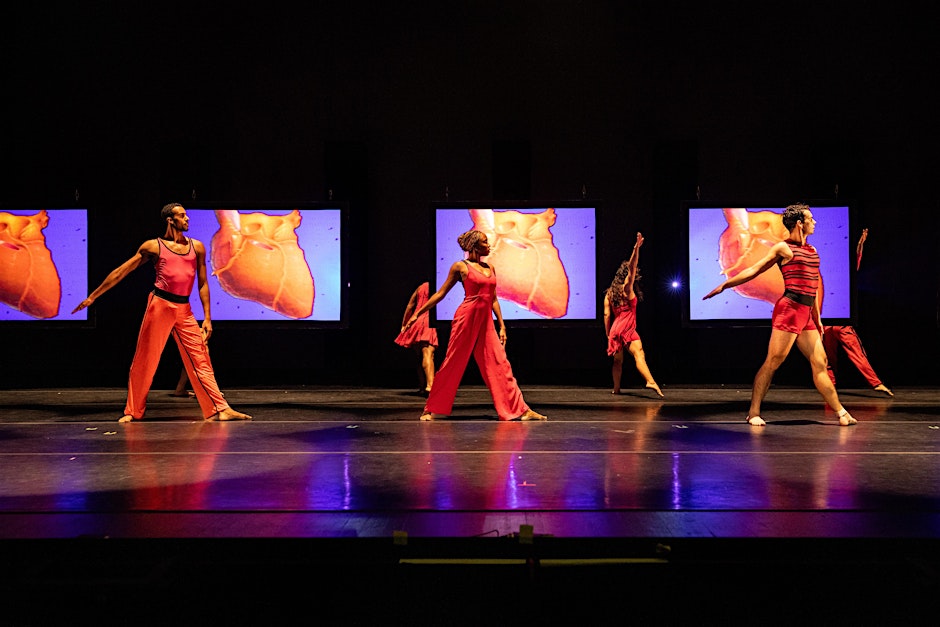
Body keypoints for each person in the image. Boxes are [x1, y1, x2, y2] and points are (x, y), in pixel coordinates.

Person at [73, 203, 251, 423]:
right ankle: (133, 411)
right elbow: (122, 271)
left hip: (184, 309)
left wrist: (207, 317)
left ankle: (219, 408)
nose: (187, 219)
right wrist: (93, 296)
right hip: (160, 305)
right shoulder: (154, 246)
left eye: (186, 215)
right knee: (145, 359)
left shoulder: (197, 247)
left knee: (200, 358)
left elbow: (203, 283)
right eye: (182, 216)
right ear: (170, 220)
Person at [703, 203, 855, 427]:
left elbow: (811, 289)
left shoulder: (812, 251)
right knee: (774, 361)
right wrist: (725, 285)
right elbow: (754, 269)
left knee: (820, 362)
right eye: (810, 219)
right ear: (799, 224)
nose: (815, 222)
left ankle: (841, 412)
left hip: (806, 315)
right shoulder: (783, 248)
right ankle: (753, 412)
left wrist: (818, 319)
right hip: (789, 311)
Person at [401, 229, 546, 421]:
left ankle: (520, 409)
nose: (489, 245)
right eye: (485, 242)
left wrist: (501, 325)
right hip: (466, 317)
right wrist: (417, 314)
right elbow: (440, 293)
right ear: (475, 246)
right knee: (453, 360)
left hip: (485, 321)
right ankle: (432, 408)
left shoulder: (490, 268)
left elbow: (493, 299)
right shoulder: (460, 267)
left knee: (500, 363)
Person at [822, 228, 893, 396]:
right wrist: (860, 245)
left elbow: (854, 262)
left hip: (829, 322)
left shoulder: (832, 277)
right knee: (851, 353)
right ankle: (874, 383)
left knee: (827, 357)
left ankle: (833, 383)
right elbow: (854, 262)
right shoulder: (831, 277)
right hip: (832, 322)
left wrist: (860, 244)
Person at [603, 232, 663, 397]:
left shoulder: (609, 294)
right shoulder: (627, 289)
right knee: (639, 354)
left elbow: (607, 315)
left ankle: (616, 389)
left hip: (615, 329)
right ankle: (650, 381)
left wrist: (609, 334)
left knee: (617, 361)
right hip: (627, 328)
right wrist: (636, 249)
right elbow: (632, 266)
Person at [394, 282, 439, 395]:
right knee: (428, 353)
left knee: (419, 356)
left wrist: (404, 324)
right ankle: (430, 386)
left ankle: (422, 386)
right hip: (428, 321)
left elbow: (410, 306)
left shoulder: (420, 287)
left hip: (416, 322)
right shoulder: (439, 285)